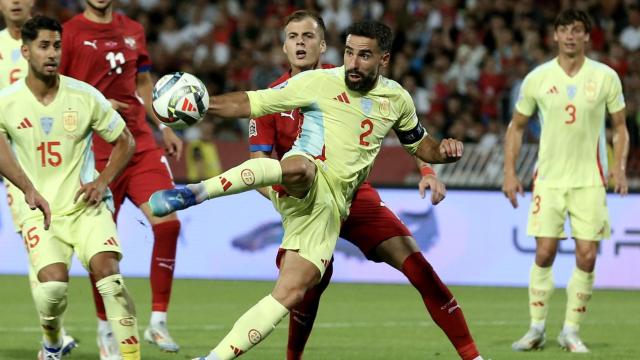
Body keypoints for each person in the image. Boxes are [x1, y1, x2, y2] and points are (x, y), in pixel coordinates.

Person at [151, 20, 484, 360]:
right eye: (350, 53)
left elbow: (420, 145)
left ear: (383, 60)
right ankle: (197, 192)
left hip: (347, 198)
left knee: (298, 290)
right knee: (301, 168)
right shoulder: (312, 83)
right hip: (300, 188)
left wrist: (439, 157)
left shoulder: (396, 99)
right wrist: (205, 105)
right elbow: (250, 105)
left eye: (363, 56)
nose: (353, 63)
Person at [248, 10, 479, 360]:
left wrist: (428, 171)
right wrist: (285, 202)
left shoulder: (348, 81)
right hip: (308, 207)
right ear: (283, 46)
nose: (300, 43)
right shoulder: (269, 98)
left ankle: (473, 356)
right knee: (307, 289)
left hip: (356, 198)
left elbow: (406, 129)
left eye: (308, 36)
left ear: (324, 46)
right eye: (293, 36)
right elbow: (257, 166)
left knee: (418, 266)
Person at [0, 15, 141, 360]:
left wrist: (102, 181)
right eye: (43, 46)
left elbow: (125, 141)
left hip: (86, 207)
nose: (52, 53)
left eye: (57, 46)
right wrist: (28, 189)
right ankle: (52, 342)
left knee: (110, 277)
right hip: (38, 209)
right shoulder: (7, 101)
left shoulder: (84, 96)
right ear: (26, 51)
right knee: (52, 287)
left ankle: (130, 356)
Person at [59, 0, 184, 356]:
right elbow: (61, 87)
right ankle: (106, 329)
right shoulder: (70, 33)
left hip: (140, 143)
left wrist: (163, 125)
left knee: (168, 224)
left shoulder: (133, 30)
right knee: (102, 247)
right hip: (98, 149)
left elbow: (143, 82)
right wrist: (96, 104)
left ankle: (158, 322)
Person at [503, 9, 628, 353]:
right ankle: (536, 328)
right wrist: (510, 172)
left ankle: (570, 330)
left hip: (590, 180)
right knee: (544, 251)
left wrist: (619, 167)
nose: (570, 36)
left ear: (588, 36)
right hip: (549, 180)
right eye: (564, 30)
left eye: (577, 30)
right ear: (555, 35)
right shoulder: (538, 78)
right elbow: (515, 126)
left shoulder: (605, 77)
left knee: (587, 256)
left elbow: (619, 127)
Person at [0, 0, 79, 355]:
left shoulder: (54, 46)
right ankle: (52, 339)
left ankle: (53, 337)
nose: (15, 1)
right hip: (15, 164)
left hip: (60, 166)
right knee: (41, 251)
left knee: (49, 258)